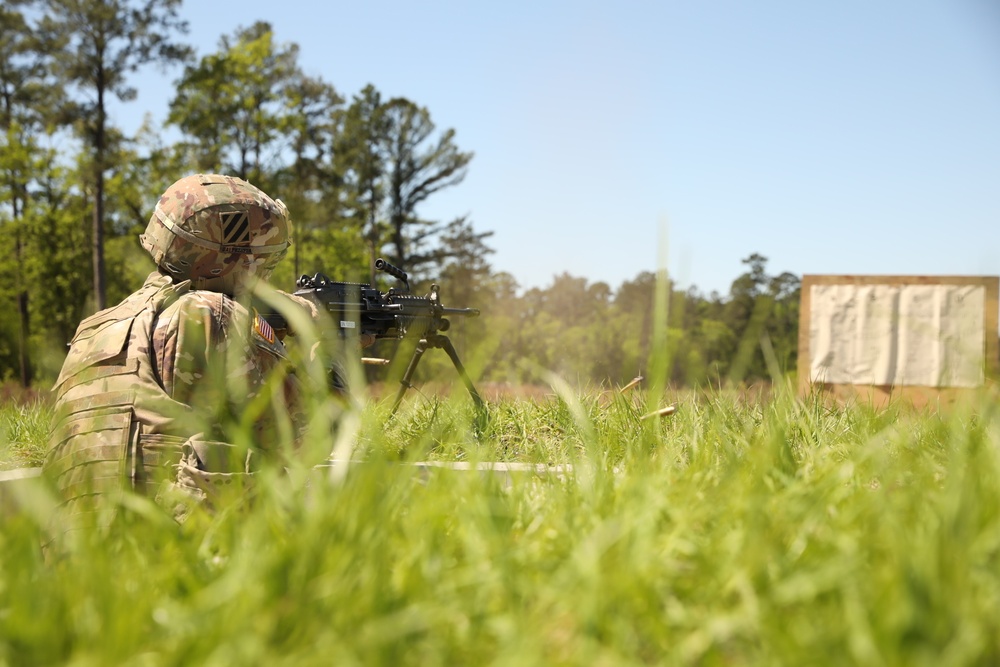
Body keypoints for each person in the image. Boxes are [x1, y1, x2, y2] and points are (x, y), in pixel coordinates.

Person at [44, 173, 328, 525]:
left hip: (73, 556)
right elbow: (303, 442)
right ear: (234, 261)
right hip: (162, 557)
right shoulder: (214, 313)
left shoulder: (94, 328)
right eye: (263, 262)